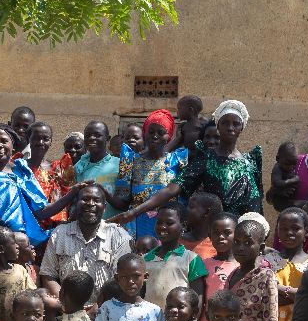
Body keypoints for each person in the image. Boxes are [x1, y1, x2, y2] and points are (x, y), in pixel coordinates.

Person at [0, 123, 89, 321]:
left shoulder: (21, 172)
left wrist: (72, 194)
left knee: (12, 297)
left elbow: (41, 211)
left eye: (4, 141)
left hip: (11, 248)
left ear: (13, 145)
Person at [114, 102, 263, 228]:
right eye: (225, 123)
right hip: (217, 234)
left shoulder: (251, 160)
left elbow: (258, 202)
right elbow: (172, 189)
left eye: (236, 124)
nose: (230, 128)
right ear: (218, 125)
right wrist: (134, 212)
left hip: (247, 236)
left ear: (242, 127)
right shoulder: (206, 158)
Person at [40, 184, 132, 305]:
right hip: (66, 309)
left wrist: (97, 308)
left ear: (104, 207)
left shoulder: (119, 236)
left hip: (106, 310)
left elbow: (121, 280)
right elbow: (48, 274)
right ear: (76, 204)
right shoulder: (60, 233)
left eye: (97, 200)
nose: (90, 203)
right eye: (85, 199)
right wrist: (67, 306)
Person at [107, 110, 188, 239]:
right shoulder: (131, 162)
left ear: (168, 136)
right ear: (145, 134)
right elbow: (123, 201)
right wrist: (103, 192)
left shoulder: (178, 160)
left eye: (160, 133)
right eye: (151, 132)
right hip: (138, 226)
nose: (155, 136)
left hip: (169, 227)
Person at [142, 202, 207, 309]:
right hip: (149, 319)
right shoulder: (144, 260)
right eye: (158, 222)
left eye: (169, 223)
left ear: (183, 226)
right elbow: (140, 294)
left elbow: (198, 299)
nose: (162, 227)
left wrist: (193, 318)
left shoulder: (191, 259)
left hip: (178, 320)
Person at [269, 208, 308, 321]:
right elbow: (263, 298)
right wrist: (297, 296)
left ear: (306, 231)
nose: (289, 233)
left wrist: (279, 288)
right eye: (283, 228)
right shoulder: (266, 261)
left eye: (295, 228)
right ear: (278, 231)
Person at [27, 121, 73, 229]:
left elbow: (69, 197)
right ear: (28, 139)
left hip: (56, 228)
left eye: (46, 139)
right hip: (28, 226)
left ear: (50, 141)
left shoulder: (61, 168)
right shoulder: (21, 168)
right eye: (35, 138)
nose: (40, 142)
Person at [74, 120, 121, 220]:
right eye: (87, 136)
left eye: (97, 135)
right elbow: (73, 199)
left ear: (107, 139)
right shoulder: (79, 167)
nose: (91, 138)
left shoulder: (119, 164)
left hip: (112, 225)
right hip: (85, 225)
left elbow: (124, 203)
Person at [201, 212, 239, 321]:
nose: (221, 237)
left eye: (227, 232)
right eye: (216, 233)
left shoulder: (242, 266)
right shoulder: (204, 264)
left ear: (237, 234)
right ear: (210, 236)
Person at [180, 192, 224, 260]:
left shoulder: (217, 245)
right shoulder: (178, 240)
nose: (186, 210)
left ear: (207, 212)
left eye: (191, 207)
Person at [266, 141, 300, 212]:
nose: (291, 167)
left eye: (294, 164)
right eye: (287, 164)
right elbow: (276, 183)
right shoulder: (277, 168)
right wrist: (293, 180)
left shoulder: (289, 167)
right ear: (277, 159)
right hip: (279, 199)